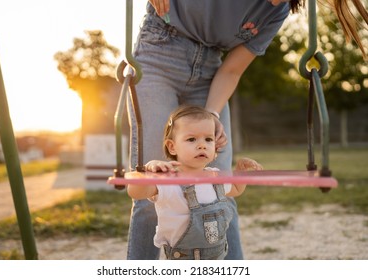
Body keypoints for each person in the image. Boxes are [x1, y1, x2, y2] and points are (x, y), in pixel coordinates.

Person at [126, 0, 368, 260]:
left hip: (211, 69)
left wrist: (212, 115)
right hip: (159, 52)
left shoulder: (277, 12)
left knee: (220, 188)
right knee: (154, 183)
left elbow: (231, 70)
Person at [127, 105, 263, 260]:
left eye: (208, 139)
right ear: (172, 147)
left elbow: (236, 190)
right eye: (191, 139)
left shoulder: (215, 177)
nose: (202, 145)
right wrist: (147, 172)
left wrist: (240, 172)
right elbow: (136, 192)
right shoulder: (167, 180)